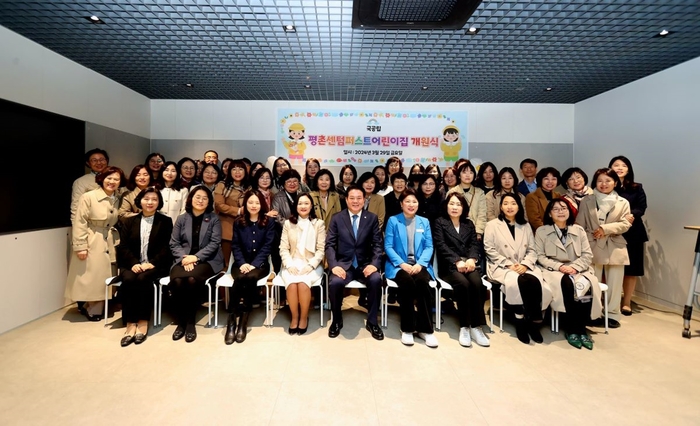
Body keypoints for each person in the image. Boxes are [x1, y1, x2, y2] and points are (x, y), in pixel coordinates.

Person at [535, 199, 602, 350]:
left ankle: (582, 328)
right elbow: (539, 256)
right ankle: (572, 328)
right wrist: (560, 266)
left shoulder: (578, 230)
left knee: (587, 285)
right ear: (550, 214)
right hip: (554, 271)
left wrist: (575, 267)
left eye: (564, 208)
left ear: (569, 211)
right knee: (566, 284)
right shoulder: (542, 231)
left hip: (578, 269)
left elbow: (587, 254)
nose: (560, 211)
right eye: (556, 209)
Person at [484, 193, 551, 344]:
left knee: (535, 281)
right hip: (501, 265)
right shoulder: (492, 225)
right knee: (517, 281)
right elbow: (489, 249)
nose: (509, 207)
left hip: (524, 264)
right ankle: (520, 320)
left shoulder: (525, 225)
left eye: (513, 203)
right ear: (501, 207)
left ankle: (533, 321)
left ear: (519, 206)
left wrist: (525, 264)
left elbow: (532, 250)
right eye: (506, 203)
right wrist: (508, 264)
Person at [65, 166, 126, 322]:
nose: (112, 182)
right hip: (93, 237)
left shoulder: (117, 197)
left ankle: (100, 304)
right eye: (109, 178)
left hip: (110, 238)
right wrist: (80, 246)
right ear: (101, 178)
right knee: (92, 275)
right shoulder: (88, 197)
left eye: (116, 179)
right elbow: (80, 222)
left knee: (107, 273)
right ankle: (93, 308)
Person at [325, 186, 384, 341]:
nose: (356, 201)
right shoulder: (337, 218)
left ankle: (372, 322)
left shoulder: (371, 218)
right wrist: (334, 265)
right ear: (346, 200)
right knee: (335, 283)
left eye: (359, 198)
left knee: (376, 279)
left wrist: (374, 264)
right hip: (344, 265)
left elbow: (378, 244)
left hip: (365, 264)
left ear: (364, 200)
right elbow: (329, 245)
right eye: (352, 198)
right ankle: (337, 320)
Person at [116, 187, 173, 346]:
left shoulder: (165, 221)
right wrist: (134, 263)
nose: (150, 202)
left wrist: (151, 263)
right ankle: (130, 323)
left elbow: (167, 248)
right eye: (146, 199)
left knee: (142, 279)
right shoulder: (129, 221)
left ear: (159, 202)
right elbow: (123, 247)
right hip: (132, 264)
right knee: (128, 279)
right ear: (139, 201)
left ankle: (142, 321)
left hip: (155, 264)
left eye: (154, 199)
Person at [432, 192, 490, 347]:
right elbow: (441, 245)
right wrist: (457, 260)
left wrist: (472, 259)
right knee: (463, 285)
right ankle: (465, 326)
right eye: (452, 203)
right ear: (446, 205)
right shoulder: (440, 222)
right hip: (449, 266)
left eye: (458, 204)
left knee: (478, 284)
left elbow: (474, 245)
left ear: (463, 207)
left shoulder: (468, 224)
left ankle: (476, 327)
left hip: (469, 264)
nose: (455, 207)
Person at [575, 168, 631, 329]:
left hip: (615, 245)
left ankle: (613, 314)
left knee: (615, 282)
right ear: (595, 183)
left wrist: (605, 229)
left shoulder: (623, 202)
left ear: (615, 182)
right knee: (593, 281)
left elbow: (625, 224)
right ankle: (594, 314)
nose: (604, 184)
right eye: (600, 181)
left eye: (608, 180)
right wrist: (588, 237)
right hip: (592, 244)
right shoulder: (587, 200)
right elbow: (580, 224)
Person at [169, 186, 225, 343]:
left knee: (192, 280)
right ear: (191, 199)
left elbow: (214, 243)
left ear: (209, 202)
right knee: (179, 281)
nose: (201, 200)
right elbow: (174, 243)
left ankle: (189, 322)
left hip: (207, 260)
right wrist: (184, 258)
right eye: (197, 197)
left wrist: (195, 258)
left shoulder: (213, 219)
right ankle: (181, 321)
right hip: (183, 259)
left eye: (205, 198)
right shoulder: (182, 218)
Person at [384, 189, 438, 347]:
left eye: (414, 201)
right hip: (398, 265)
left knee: (422, 283)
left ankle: (426, 330)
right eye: (407, 201)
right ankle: (407, 329)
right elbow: (388, 246)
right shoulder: (393, 221)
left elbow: (429, 246)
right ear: (401, 204)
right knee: (407, 283)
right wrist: (402, 264)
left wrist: (420, 264)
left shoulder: (424, 221)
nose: (411, 204)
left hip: (420, 264)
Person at [224, 190, 276, 344]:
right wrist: (242, 263)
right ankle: (231, 320)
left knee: (251, 277)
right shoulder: (239, 221)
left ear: (262, 204)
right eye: (250, 202)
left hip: (260, 264)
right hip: (240, 262)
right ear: (245, 204)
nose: (254, 205)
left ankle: (243, 321)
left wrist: (253, 264)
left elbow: (267, 246)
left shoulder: (268, 222)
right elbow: (236, 245)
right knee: (240, 277)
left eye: (257, 202)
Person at [279, 193, 326, 335]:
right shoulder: (288, 223)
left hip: (312, 263)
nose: (303, 206)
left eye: (306, 203)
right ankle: (295, 317)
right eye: (300, 203)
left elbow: (320, 249)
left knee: (304, 283)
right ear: (296, 206)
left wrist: (311, 265)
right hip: (292, 262)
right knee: (292, 284)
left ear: (311, 206)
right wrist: (289, 265)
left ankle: (304, 317)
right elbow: (283, 248)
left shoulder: (319, 223)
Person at [609, 155, 648, 317]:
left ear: (628, 169)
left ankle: (626, 302)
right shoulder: (607, 185)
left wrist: (631, 215)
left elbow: (642, 207)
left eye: (623, 165)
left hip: (634, 232)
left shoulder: (636, 187)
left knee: (631, 269)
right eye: (616, 165)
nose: (619, 168)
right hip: (612, 231)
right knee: (612, 267)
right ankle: (611, 301)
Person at [214, 159, 248, 270]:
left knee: (243, 263)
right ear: (229, 171)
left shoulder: (249, 187)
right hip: (226, 227)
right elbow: (219, 205)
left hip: (244, 227)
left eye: (241, 169)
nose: (237, 172)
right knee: (226, 264)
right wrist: (238, 211)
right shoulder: (222, 185)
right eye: (234, 169)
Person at [447, 160, 487, 239]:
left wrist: (478, 233)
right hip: (456, 234)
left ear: (474, 175)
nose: (468, 175)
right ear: (459, 175)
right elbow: (448, 215)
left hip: (474, 233)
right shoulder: (452, 192)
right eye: (464, 172)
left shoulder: (480, 192)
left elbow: (482, 215)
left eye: (471, 172)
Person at [71, 148, 110, 223]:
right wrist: (77, 229)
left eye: (102, 159)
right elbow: (76, 208)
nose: (99, 163)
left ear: (107, 161)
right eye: (94, 160)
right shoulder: (81, 182)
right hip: (92, 226)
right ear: (88, 163)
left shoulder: (116, 179)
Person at [525, 167, 562, 232]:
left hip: (559, 232)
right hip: (542, 233)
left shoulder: (558, 196)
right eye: (546, 179)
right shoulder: (532, 197)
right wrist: (551, 232)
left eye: (554, 179)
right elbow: (535, 220)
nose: (550, 182)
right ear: (540, 180)